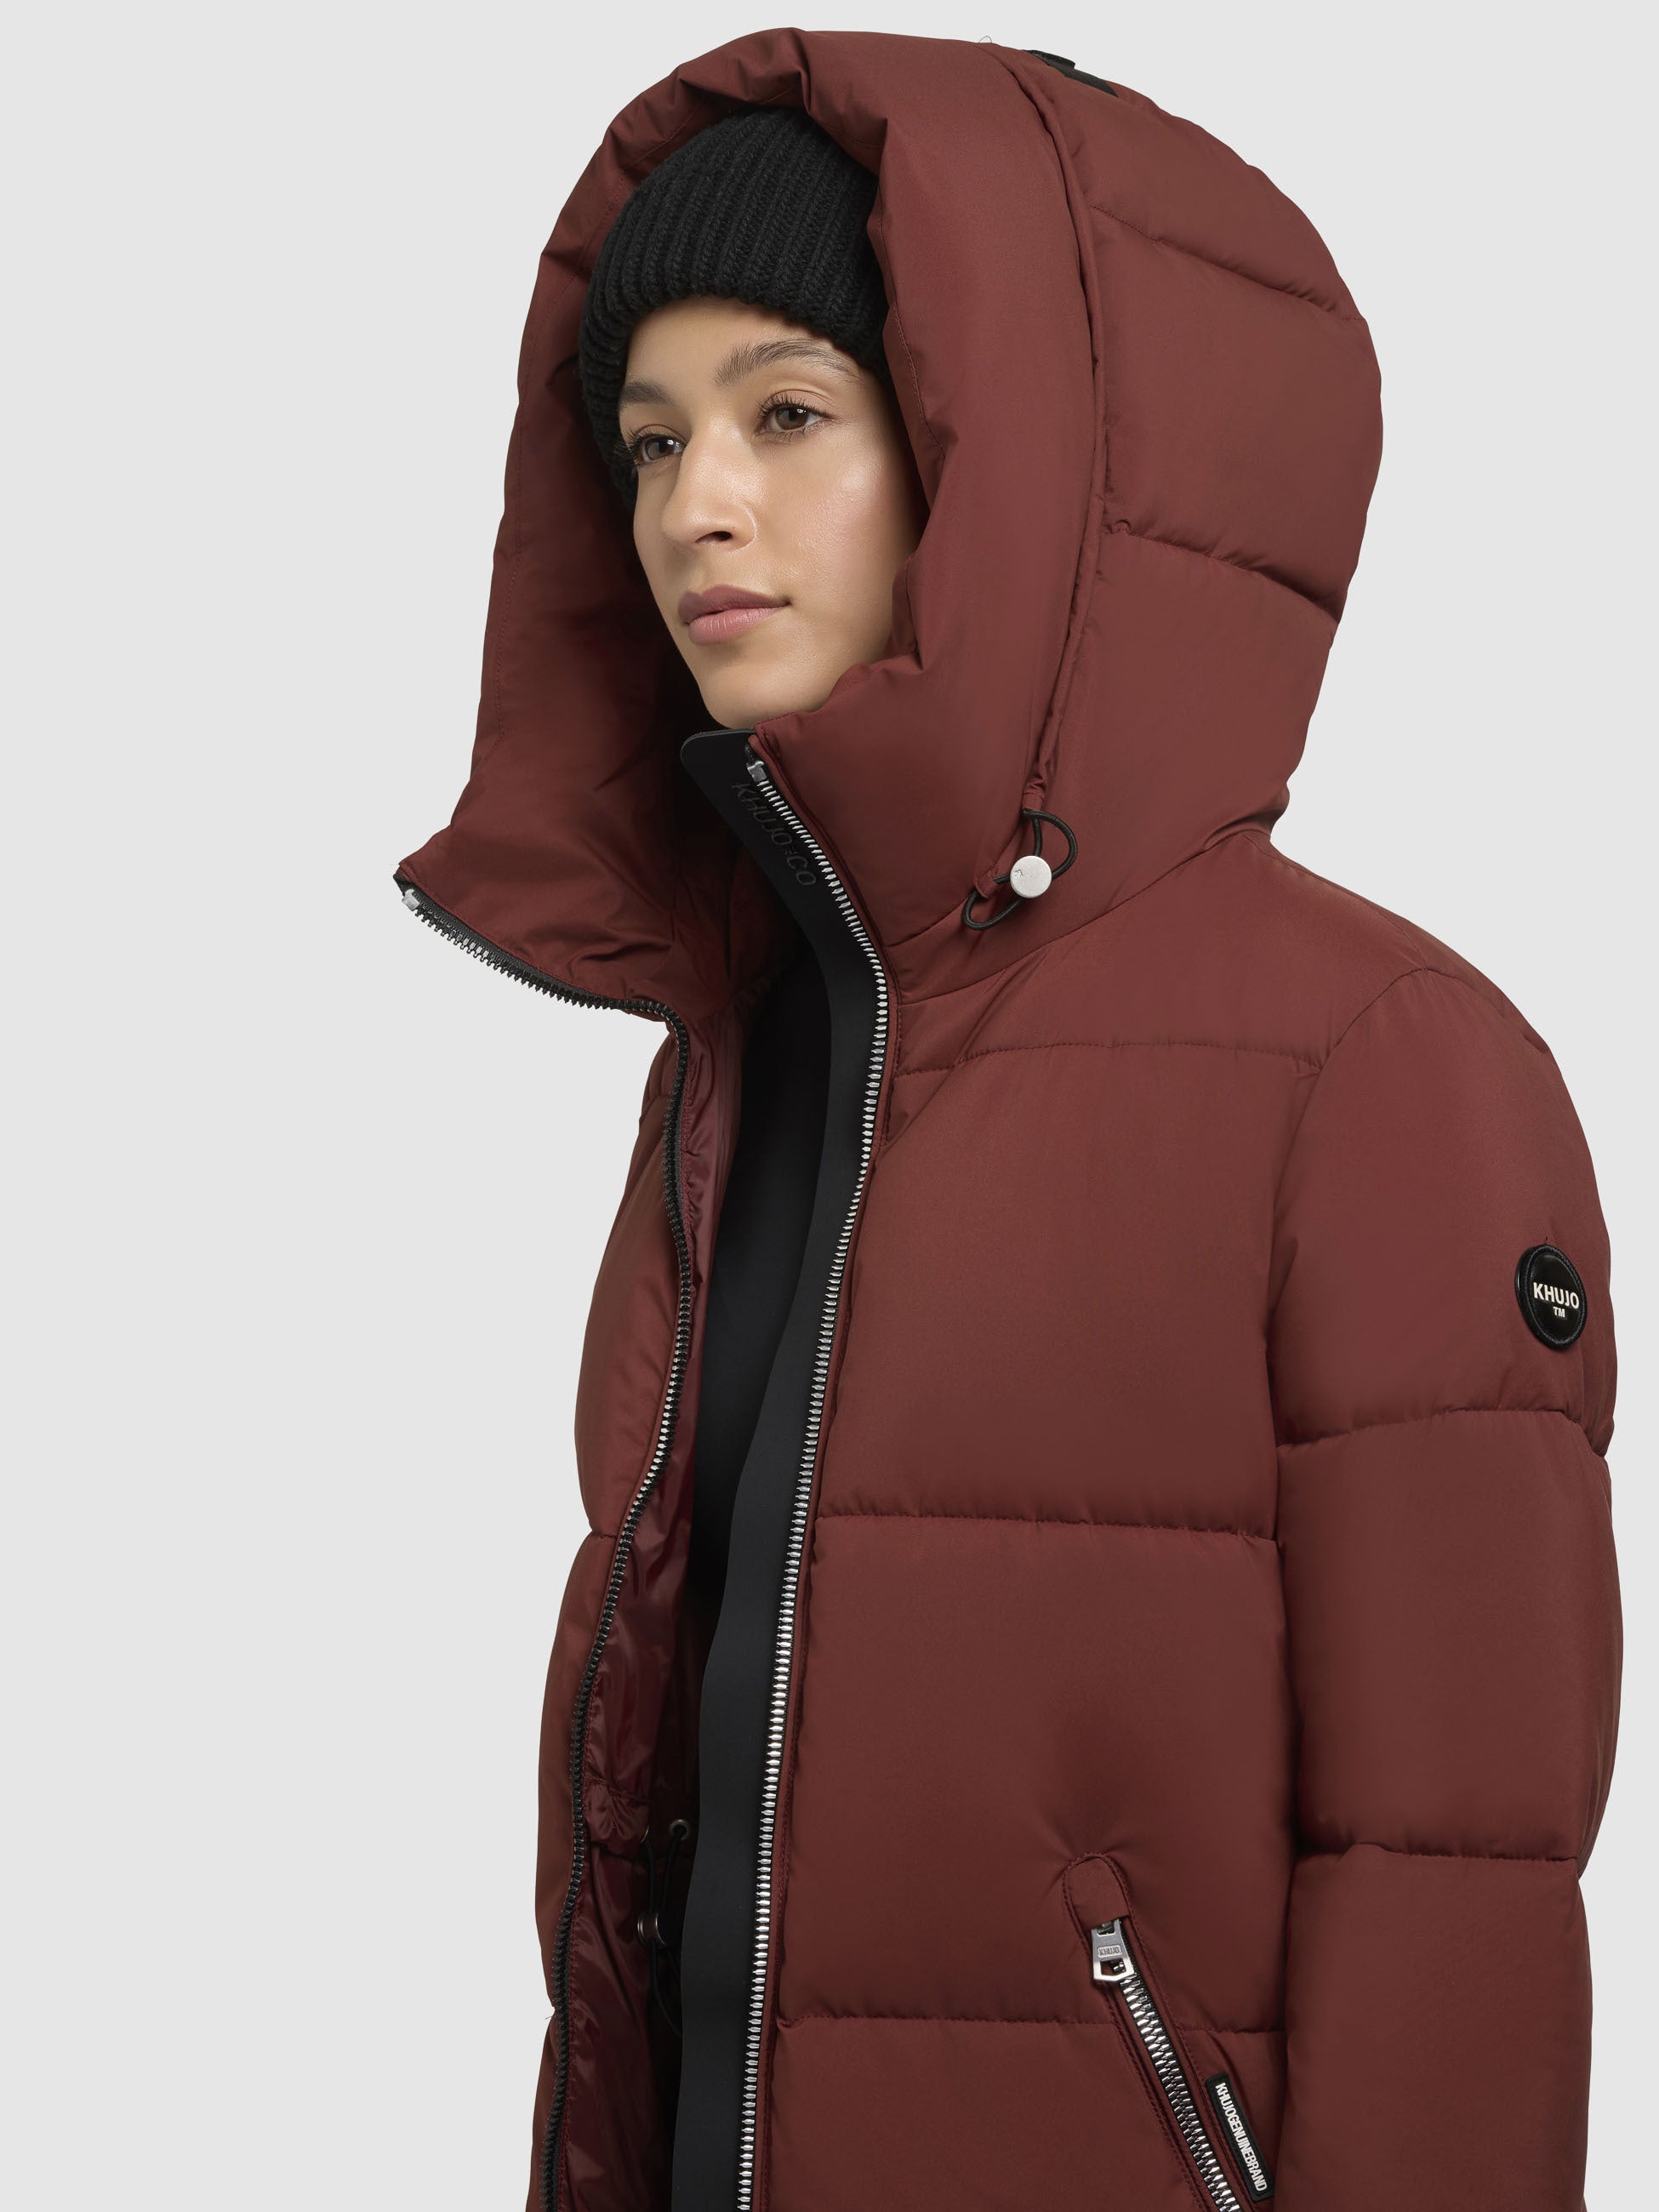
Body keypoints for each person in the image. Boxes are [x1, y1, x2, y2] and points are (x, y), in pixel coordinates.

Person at [394, 33, 1622, 2212]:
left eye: (789, 415)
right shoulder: (738, 1066)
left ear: (1018, 464)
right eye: (651, 437)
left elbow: (1461, 1881)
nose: (693, 506)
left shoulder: (1382, 1065)